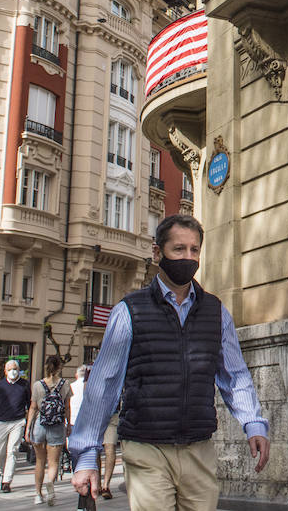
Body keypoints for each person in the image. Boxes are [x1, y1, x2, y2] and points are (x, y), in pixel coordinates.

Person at [69, 214, 271, 510]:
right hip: (146, 447)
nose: (188, 257)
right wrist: (87, 456)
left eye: (194, 250)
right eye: (178, 249)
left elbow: (235, 375)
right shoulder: (129, 312)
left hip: (198, 448)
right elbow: (104, 385)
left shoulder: (216, 312)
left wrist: (253, 423)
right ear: (157, 252)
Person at [28, 355, 70, 505]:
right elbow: (67, 407)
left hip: (40, 423)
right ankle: (50, 484)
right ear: (60, 367)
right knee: (53, 462)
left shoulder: (37, 385)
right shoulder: (65, 384)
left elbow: (33, 408)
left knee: (40, 461)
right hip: (57, 425)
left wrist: (28, 429)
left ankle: (38, 494)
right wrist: (68, 424)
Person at [0, 357, 31, 493]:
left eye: (15, 369)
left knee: (12, 450)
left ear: (19, 370)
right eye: (10, 369)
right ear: (5, 371)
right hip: (1, 421)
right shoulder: (0, 385)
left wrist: (29, 421)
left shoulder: (24, 384)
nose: (13, 371)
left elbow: (30, 404)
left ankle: (7, 481)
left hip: (18, 421)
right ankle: (3, 473)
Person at [68, 364, 89, 431]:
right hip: (86, 421)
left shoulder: (70, 386)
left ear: (76, 376)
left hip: (73, 419)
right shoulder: (91, 387)